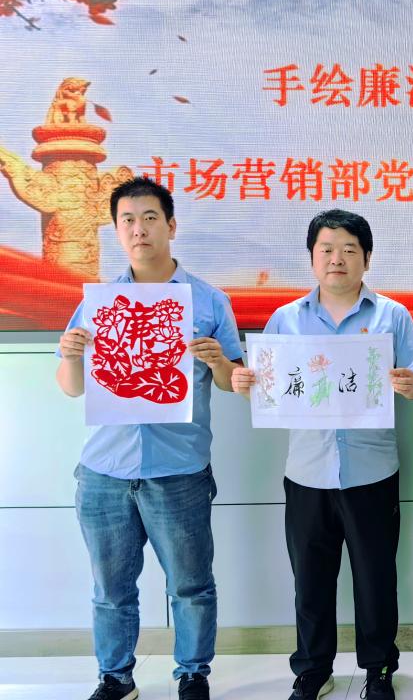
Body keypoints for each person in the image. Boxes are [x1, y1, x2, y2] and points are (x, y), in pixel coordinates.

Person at [56, 177, 243, 700]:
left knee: (191, 585)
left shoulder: (209, 301)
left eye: (150, 218)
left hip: (179, 471)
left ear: (171, 226)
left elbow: (233, 382)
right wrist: (70, 355)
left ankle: (193, 674)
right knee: (110, 590)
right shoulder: (99, 302)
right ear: (117, 231)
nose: (139, 229)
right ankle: (115, 678)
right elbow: (71, 387)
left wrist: (218, 362)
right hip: (105, 472)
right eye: (128, 221)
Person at [231, 210, 413, 700]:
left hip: (372, 471)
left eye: (349, 250)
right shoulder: (286, 319)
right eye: (326, 250)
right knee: (311, 581)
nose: (337, 259)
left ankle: (379, 670)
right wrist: (244, 382)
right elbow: (266, 386)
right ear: (312, 258)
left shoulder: (391, 316)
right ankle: (313, 670)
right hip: (307, 472)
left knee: (376, 579)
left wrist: (412, 384)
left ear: (367, 258)